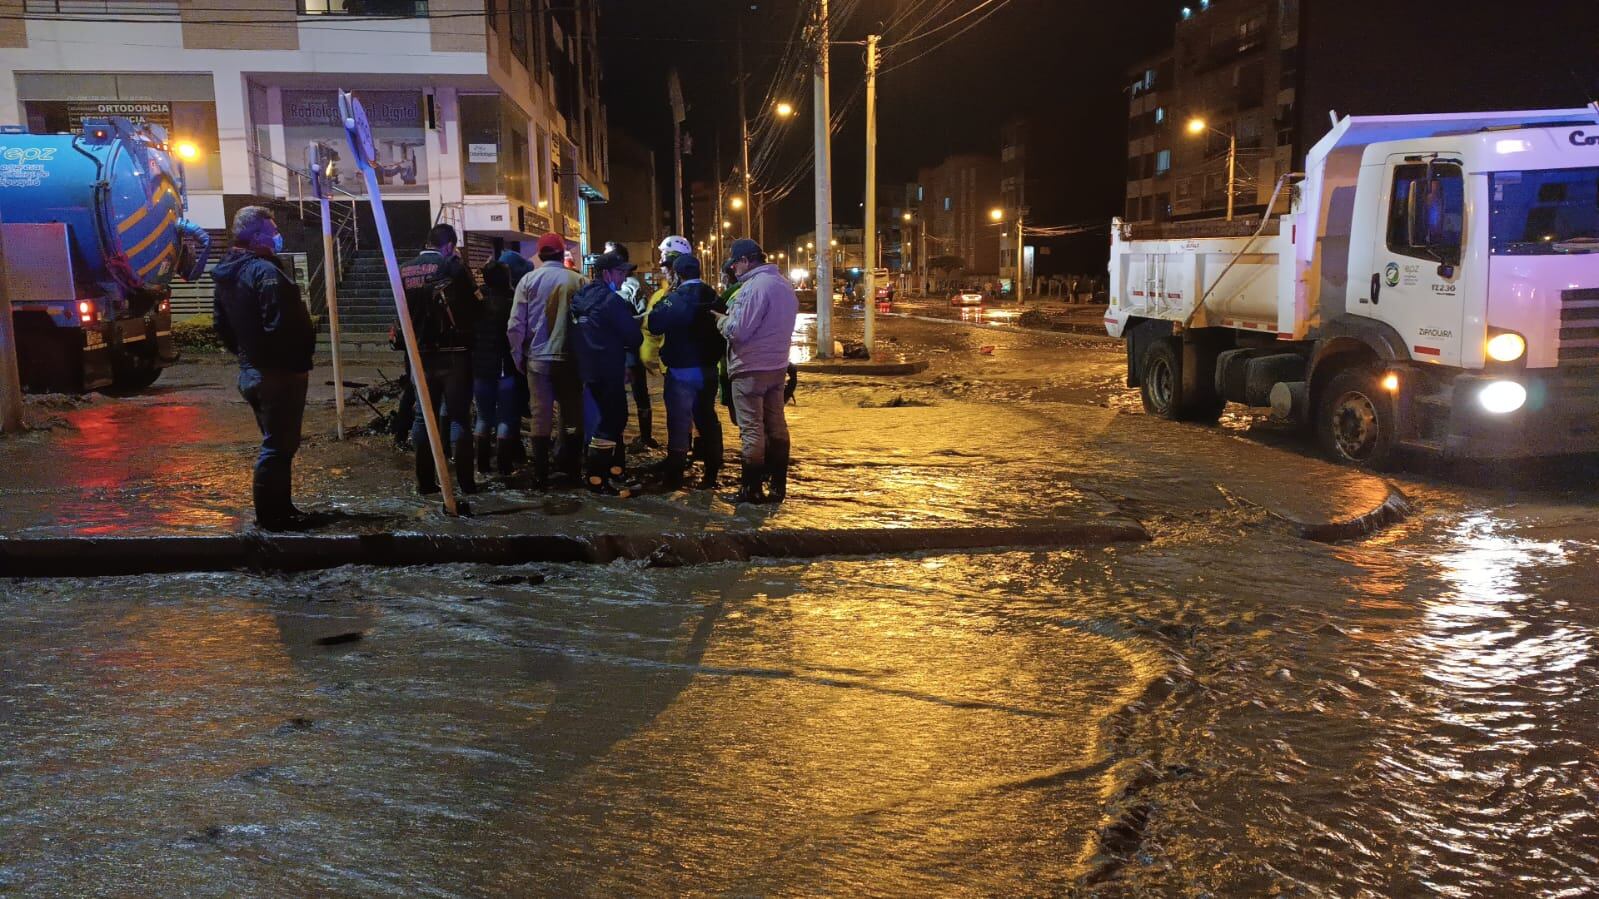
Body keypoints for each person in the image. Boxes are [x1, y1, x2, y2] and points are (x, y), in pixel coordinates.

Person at [212, 205, 316, 530]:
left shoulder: (229, 274)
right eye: (272, 230)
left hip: (254, 371)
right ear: (257, 237)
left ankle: (282, 509)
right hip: (278, 373)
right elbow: (280, 324)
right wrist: (288, 363)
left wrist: (248, 358)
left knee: (280, 443)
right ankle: (272, 520)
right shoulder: (265, 273)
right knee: (277, 446)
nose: (277, 236)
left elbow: (222, 326)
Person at [400, 223, 481, 496]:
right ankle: (466, 484)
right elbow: (477, 306)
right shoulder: (453, 267)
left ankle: (425, 482)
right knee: (459, 418)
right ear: (449, 245)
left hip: (419, 354)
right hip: (455, 355)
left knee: (424, 418)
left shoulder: (404, 269)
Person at [717, 238, 798, 504]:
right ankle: (778, 487)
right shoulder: (784, 285)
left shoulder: (754, 288)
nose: (733, 271)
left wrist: (720, 320)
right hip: (777, 367)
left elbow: (738, 332)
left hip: (750, 368)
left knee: (751, 430)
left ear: (745, 261)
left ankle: (751, 490)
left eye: (735, 264)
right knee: (776, 425)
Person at [509, 232, 586, 489]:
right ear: (562, 252)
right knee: (571, 415)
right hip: (571, 360)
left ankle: (540, 474)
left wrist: (517, 354)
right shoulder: (579, 280)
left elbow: (516, 325)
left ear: (540, 254)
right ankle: (572, 470)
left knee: (540, 417)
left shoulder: (528, 281)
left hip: (538, 360)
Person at [646, 253, 726, 490]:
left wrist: (666, 299)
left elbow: (654, 324)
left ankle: (674, 478)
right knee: (707, 418)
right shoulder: (715, 298)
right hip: (709, 370)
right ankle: (711, 476)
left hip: (681, 371)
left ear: (679, 275)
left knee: (679, 422)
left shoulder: (675, 299)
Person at [569, 251, 644, 495]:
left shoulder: (580, 298)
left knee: (603, 420)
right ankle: (597, 477)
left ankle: (610, 472)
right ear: (606, 273)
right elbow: (634, 336)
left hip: (587, 369)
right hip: (609, 368)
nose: (623, 278)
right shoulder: (612, 302)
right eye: (620, 272)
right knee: (613, 420)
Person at [472, 256, 522, 476]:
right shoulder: (512, 301)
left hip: (480, 367)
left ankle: (481, 465)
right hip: (505, 367)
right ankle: (504, 466)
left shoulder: (477, 301)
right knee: (505, 417)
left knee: (483, 417)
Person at [605, 241, 657, 451]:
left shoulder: (629, 286)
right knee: (632, 393)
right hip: (623, 348)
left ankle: (641, 437)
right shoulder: (626, 284)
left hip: (628, 349)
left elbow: (636, 316)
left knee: (634, 392)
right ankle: (634, 436)